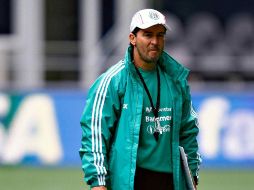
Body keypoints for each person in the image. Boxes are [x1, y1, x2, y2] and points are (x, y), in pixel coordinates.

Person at [79, 8, 201, 190]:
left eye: (160, 35)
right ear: (132, 38)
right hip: (130, 181)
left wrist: (192, 174)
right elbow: (95, 134)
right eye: (148, 35)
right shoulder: (112, 81)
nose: (155, 41)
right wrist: (98, 182)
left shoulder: (176, 80)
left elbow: (188, 131)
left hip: (171, 181)